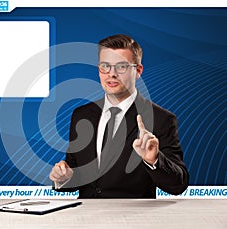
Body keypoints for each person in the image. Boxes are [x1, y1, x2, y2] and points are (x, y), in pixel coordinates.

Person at [49, 34, 189, 198]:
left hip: (131, 220)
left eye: (121, 66)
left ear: (138, 71)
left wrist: (154, 160)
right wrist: (65, 177)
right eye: (105, 66)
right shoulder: (82, 115)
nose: (112, 74)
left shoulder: (161, 119)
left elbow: (179, 184)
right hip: (85, 218)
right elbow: (76, 172)